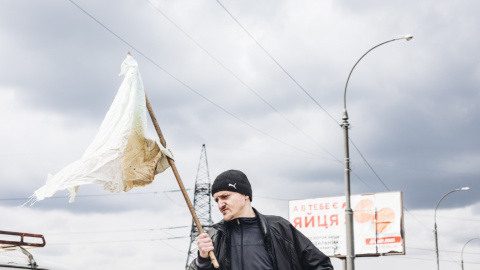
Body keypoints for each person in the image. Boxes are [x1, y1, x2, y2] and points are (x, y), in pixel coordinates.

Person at [188, 169, 333, 270]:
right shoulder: (214, 235)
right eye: (216, 200)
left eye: (225, 197)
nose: (220, 204)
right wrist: (203, 260)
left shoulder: (280, 228)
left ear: (245, 194)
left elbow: (320, 265)